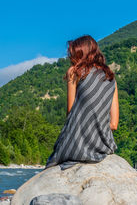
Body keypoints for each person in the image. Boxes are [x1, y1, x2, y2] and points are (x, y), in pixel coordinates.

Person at [45, 34, 119, 170]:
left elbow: (70, 113)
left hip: (76, 146)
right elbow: (114, 124)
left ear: (80, 54)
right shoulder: (111, 78)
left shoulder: (74, 72)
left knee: (51, 162)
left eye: (72, 54)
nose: (70, 58)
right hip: (103, 147)